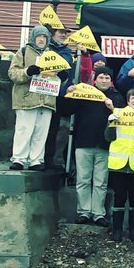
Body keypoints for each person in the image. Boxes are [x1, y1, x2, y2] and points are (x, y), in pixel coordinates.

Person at [59, 70, 117, 226]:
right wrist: (67, 91)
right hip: (83, 142)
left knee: (101, 182)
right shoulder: (84, 94)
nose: (104, 80)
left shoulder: (116, 97)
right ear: (95, 80)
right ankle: (84, 212)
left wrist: (113, 108)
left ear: (111, 81)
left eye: (107, 78)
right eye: (101, 77)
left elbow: (124, 117)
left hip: (105, 145)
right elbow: (64, 110)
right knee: (83, 179)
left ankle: (98, 213)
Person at [7, 25, 59, 171]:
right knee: (23, 130)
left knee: (41, 133)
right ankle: (19, 158)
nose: (41, 39)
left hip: (46, 99)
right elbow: (12, 73)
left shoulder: (52, 54)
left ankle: (36, 160)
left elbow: (58, 74)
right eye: (39, 36)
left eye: (44, 37)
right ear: (33, 37)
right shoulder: (23, 52)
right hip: (26, 98)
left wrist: (62, 76)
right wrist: (28, 72)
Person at [105, 88, 134, 243]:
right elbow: (108, 137)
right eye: (132, 98)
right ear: (128, 100)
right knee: (119, 197)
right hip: (119, 163)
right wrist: (111, 122)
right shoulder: (118, 113)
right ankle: (117, 229)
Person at [42, 25, 77, 172]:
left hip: (60, 94)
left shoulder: (68, 52)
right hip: (44, 91)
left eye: (65, 33)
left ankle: (48, 159)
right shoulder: (46, 49)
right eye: (61, 33)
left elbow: (70, 73)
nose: (63, 35)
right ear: (53, 34)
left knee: (53, 129)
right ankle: (37, 158)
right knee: (41, 128)